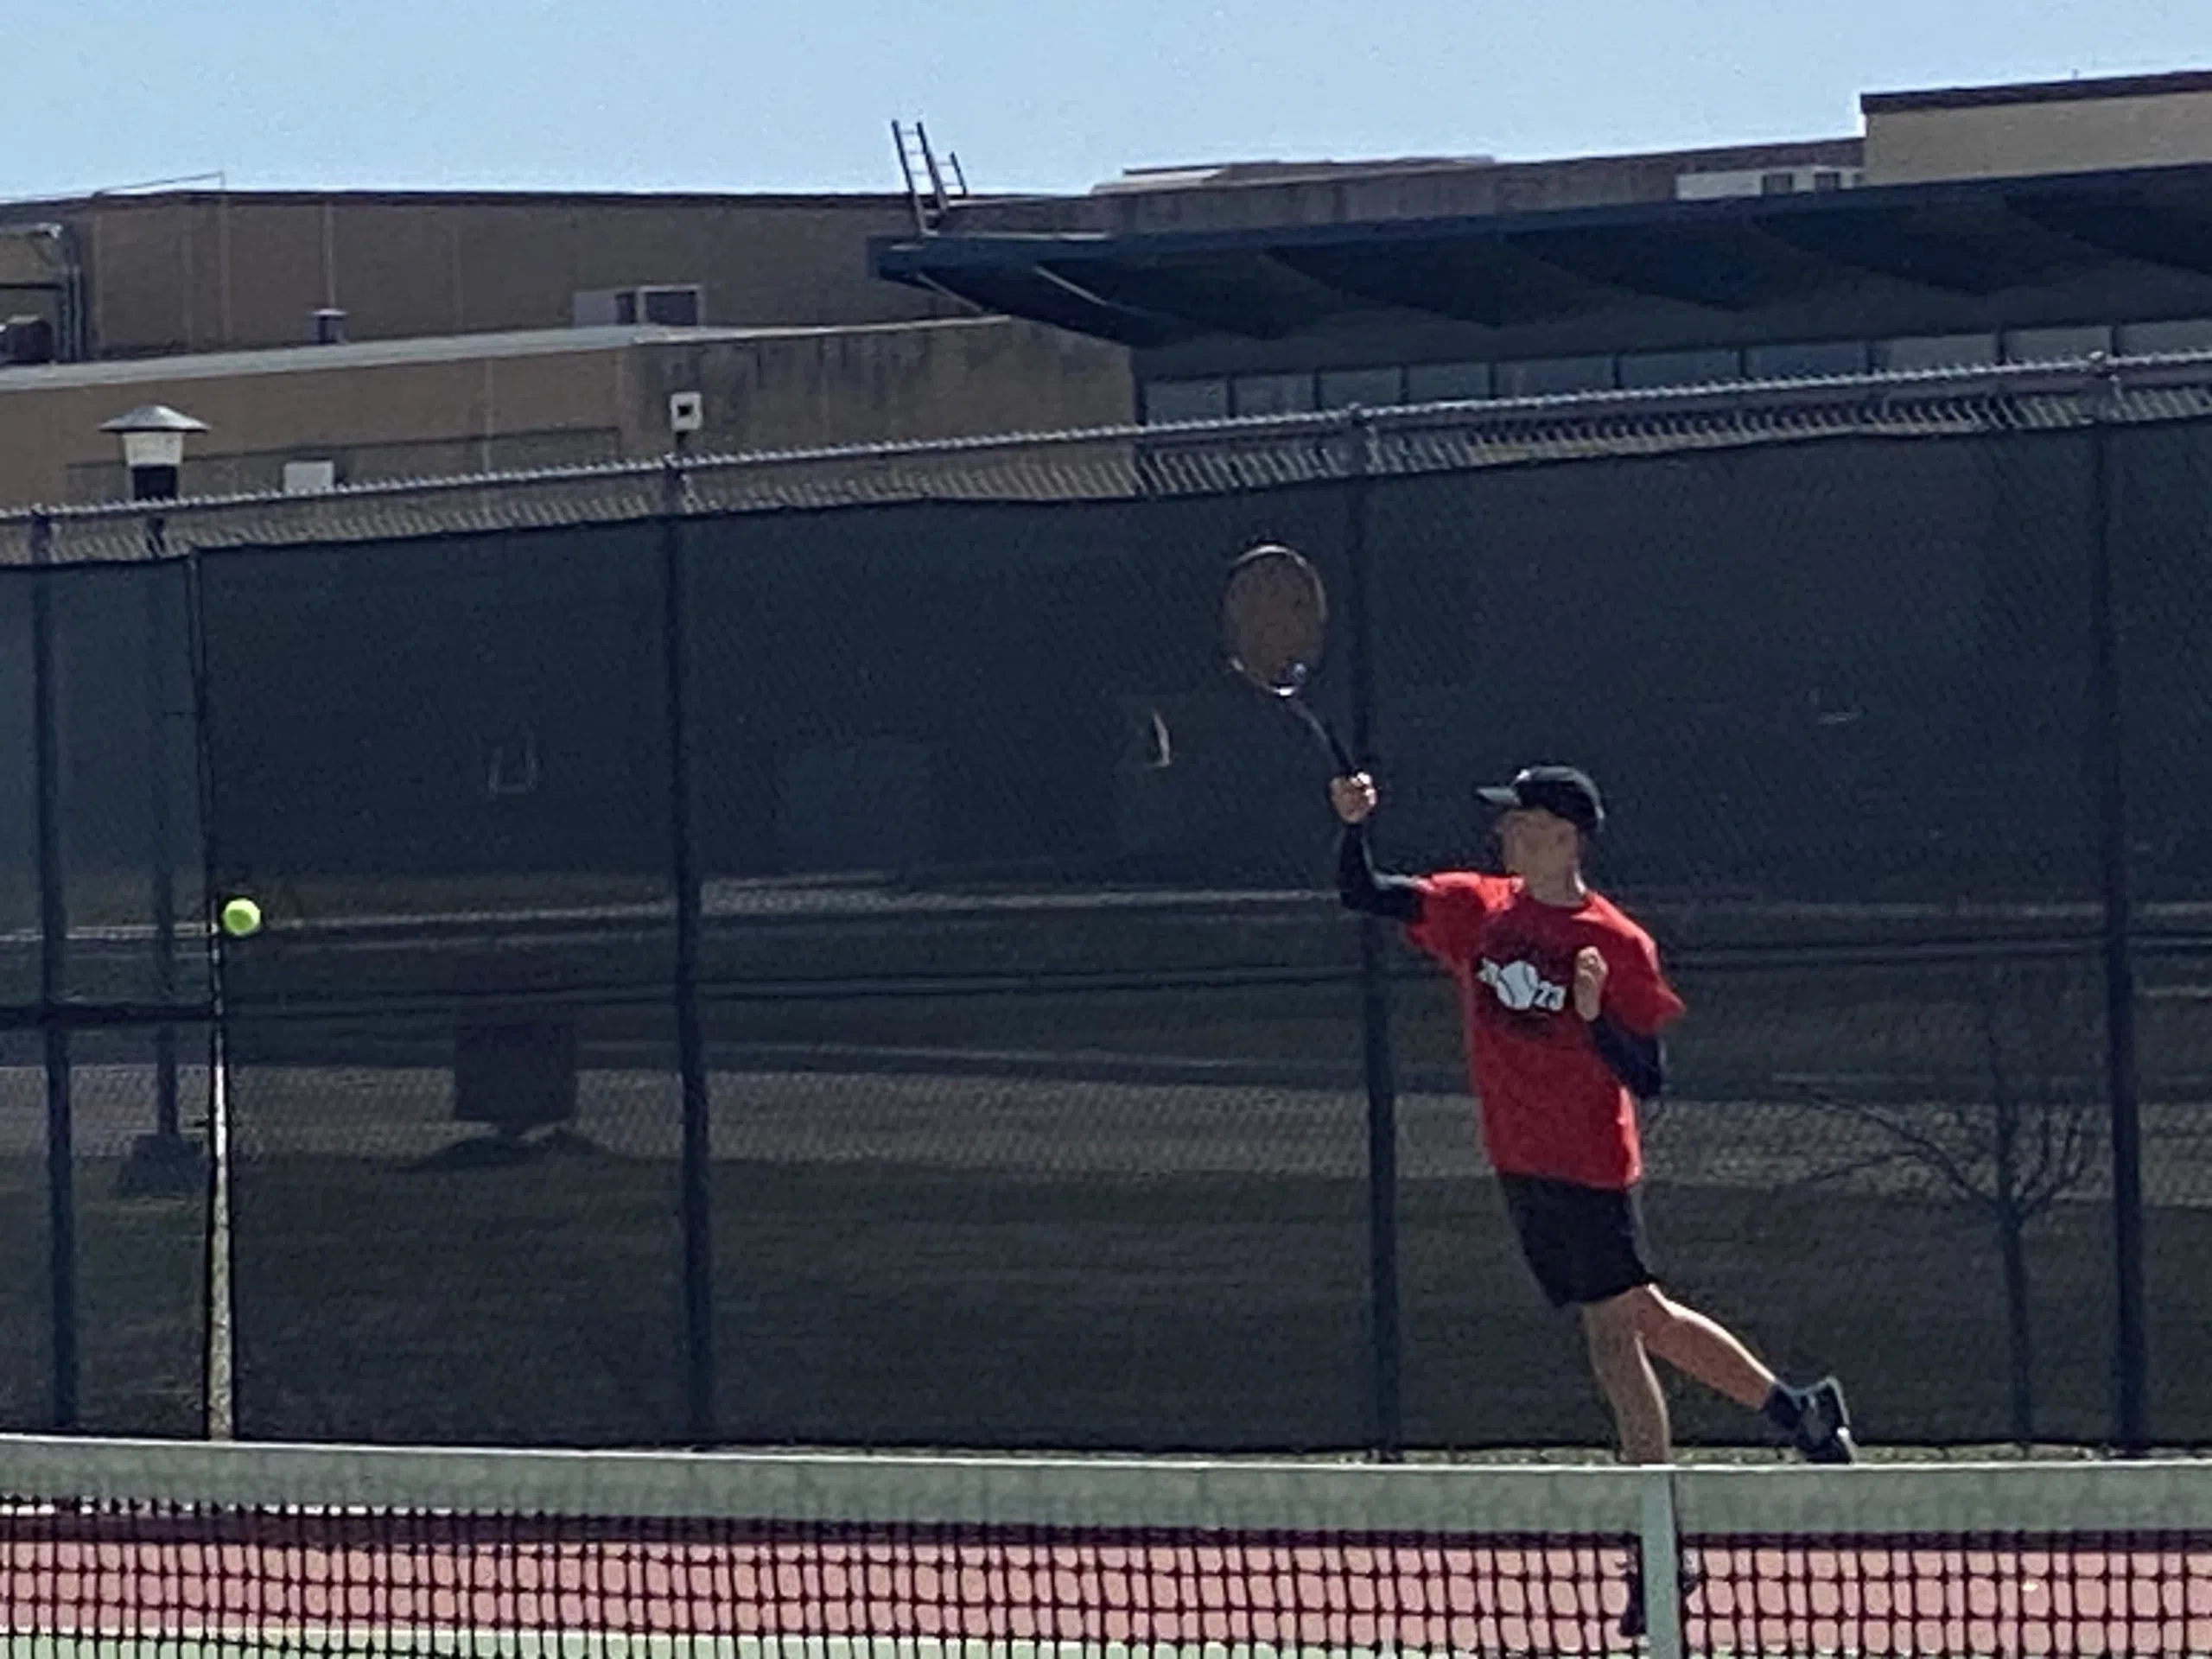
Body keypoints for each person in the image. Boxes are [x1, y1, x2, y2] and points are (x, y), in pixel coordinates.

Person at [1330, 762, 1854, 1470]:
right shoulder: (1475, 907)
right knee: (1647, 1316)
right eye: (1507, 819)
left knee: (1613, 1343)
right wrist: (1353, 825)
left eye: (1522, 820)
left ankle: (1657, 1537)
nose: (1504, 831)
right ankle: (1801, 1413)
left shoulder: (1616, 943)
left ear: (1565, 838)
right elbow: (1362, 891)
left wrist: (1593, 1018)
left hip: (1591, 1167)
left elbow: (1648, 1075)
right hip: (1519, 1159)